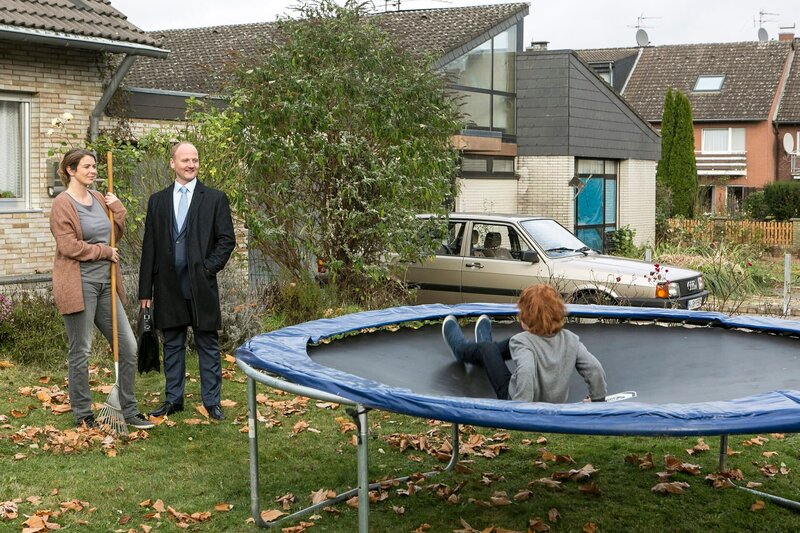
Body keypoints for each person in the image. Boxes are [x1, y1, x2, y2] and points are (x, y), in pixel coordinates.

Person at [49, 148, 154, 430]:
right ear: (71, 170)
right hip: (79, 284)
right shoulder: (63, 203)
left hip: (107, 284)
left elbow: (114, 235)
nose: (93, 171)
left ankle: (128, 409)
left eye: (95, 166)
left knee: (129, 347)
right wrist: (102, 251)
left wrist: (117, 208)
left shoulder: (98, 198)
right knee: (81, 351)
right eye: (87, 167)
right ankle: (83, 414)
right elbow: (68, 245)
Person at [139, 141, 236, 420]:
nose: (191, 164)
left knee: (207, 343)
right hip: (167, 286)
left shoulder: (215, 198)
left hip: (200, 285)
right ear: (172, 163)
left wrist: (206, 269)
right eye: (185, 160)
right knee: (172, 344)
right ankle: (173, 400)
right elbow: (150, 248)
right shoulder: (157, 201)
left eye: (195, 160)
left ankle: (211, 401)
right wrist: (146, 290)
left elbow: (226, 240)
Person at [442, 284, 607, 403]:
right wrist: (597, 398)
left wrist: (522, 408)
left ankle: (461, 348)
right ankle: (481, 349)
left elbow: (526, 371)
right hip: (556, 403)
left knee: (488, 349)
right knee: (509, 343)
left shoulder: (522, 342)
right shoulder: (572, 339)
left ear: (525, 317)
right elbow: (595, 368)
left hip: (517, 399)